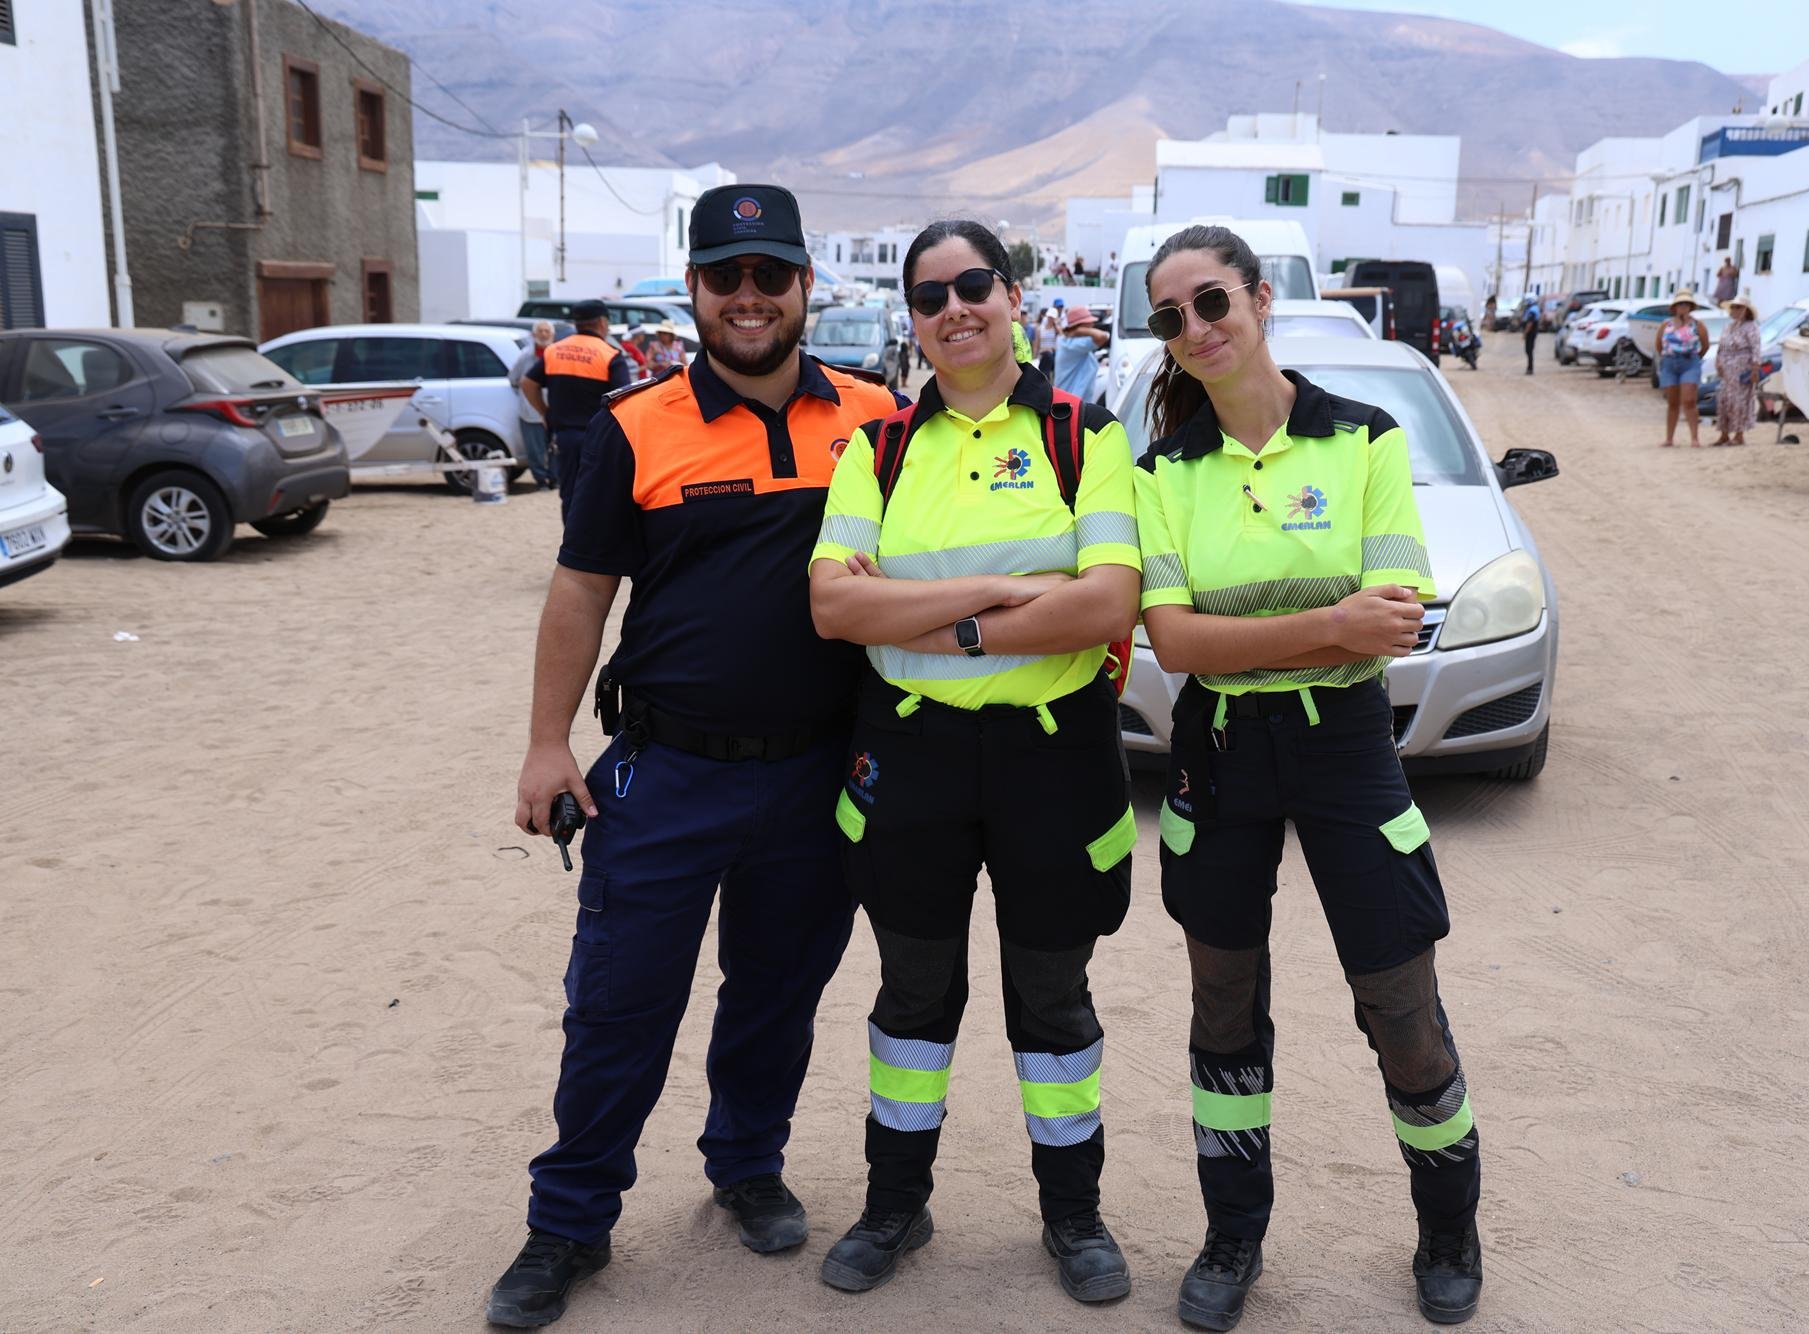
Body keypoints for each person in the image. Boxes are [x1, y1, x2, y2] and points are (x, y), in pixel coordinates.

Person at [487, 183, 900, 1329]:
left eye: (772, 274)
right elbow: (580, 592)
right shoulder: (634, 426)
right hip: (665, 775)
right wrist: (543, 745)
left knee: (777, 992)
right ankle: (568, 1221)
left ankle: (746, 1164)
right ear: (696, 290)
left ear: (807, 283)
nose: (751, 297)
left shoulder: (878, 417)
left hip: (819, 772)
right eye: (727, 276)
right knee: (619, 1006)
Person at [1130, 224, 1484, 1330]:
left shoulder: (1366, 439)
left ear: (1261, 299)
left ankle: (1448, 1225)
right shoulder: (1163, 472)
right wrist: (1322, 617)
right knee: (1223, 1002)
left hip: (1345, 745)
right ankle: (1234, 1230)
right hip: (1221, 749)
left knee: (1399, 1000)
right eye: (1170, 317)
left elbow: (1388, 624)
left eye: (1212, 303)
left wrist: (1294, 627)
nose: (1195, 330)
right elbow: (1176, 646)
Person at [807, 219, 1142, 1303]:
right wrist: (995, 602)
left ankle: (1074, 1213)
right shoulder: (881, 448)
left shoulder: (1085, 437)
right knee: (913, 992)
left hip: (1056, 762)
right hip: (913, 759)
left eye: (973, 283)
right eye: (928, 294)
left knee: (1052, 999)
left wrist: (921, 620)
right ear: (911, 317)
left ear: (1012, 294)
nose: (954, 306)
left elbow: (1105, 603)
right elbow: (832, 603)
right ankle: (895, 1202)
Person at [523, 299, 632, 520]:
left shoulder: (553, 351)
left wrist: (545, 413)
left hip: (565, 438)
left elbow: (527, 383)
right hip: (600, 439)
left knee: (570, 495)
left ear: (577, 324)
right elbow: (625, 400)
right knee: (602, 495)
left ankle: (572, 546)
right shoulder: (610, 355)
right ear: (602, 323)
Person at [1655, 290, 1711, 448]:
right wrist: (1668, 356)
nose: (1683, 307)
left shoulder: (1698, 325)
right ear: (1675, 307)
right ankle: (1669, 438)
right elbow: (1659, 345)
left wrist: (1695, 358)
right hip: (1670, 363)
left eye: (1686, 304)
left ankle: (1694, 437)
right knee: (1672, 402)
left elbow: (1705, 345)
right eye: (1680, 304)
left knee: (1689, 400)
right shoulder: (1666, 325)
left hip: (1690, 362)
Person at [509, 320, 557, 489]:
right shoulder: (525, 356)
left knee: (556, 448)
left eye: (547, 331)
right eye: (540, 331)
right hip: (530, 412)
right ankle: (541, 480)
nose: (544, 334)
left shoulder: (557, 354)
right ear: (534, 334)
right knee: (535, 450)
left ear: (552, 335)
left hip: (554, 409)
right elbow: (514, 379)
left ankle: (555, 479)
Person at [1713, 296, 1759, 446]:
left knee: (1739, 401)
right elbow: (1721, 347)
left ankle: (1739, 434)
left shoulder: (1751, 327)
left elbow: (1756, 349)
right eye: (1733, 307)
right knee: (1724, 400)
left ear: (1746, 310)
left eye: (1738, 307)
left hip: (1741, 368)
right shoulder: (1729, 327)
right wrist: (1718, 362)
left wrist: (1754, 369)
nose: (1735, 310)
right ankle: (1724, 433)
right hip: (1727, 370)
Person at [1053, 305, 1109, 403]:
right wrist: (1079, 331)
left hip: (1071, 403)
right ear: (1081, 325)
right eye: (1089, 323)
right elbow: (1104, 336)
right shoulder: (1072, 345)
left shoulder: (1068, 342)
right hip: (1070, 405)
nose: (1092, 324)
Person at [1037, 302, 1063, 376]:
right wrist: (1036, 354)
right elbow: (1037, 343)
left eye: (1052, 317)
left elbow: (1061, 337)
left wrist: (1056, 324)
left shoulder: (1056, 328)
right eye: (1049, 317)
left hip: (1052, 352)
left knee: (1049, 356)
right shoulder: (1041, 328)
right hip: (1043, 352)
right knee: (1047, 356)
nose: (1050, 319)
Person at [1519, 294, 1542, 374]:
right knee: (1528, 351)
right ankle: (1529, 368)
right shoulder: (1532, 308)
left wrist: (1525, 333)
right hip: (1531, 333)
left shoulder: (1532, 310)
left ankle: (1530, 368)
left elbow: (1530, 323)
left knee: (1529, 350)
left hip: (1531, 333)